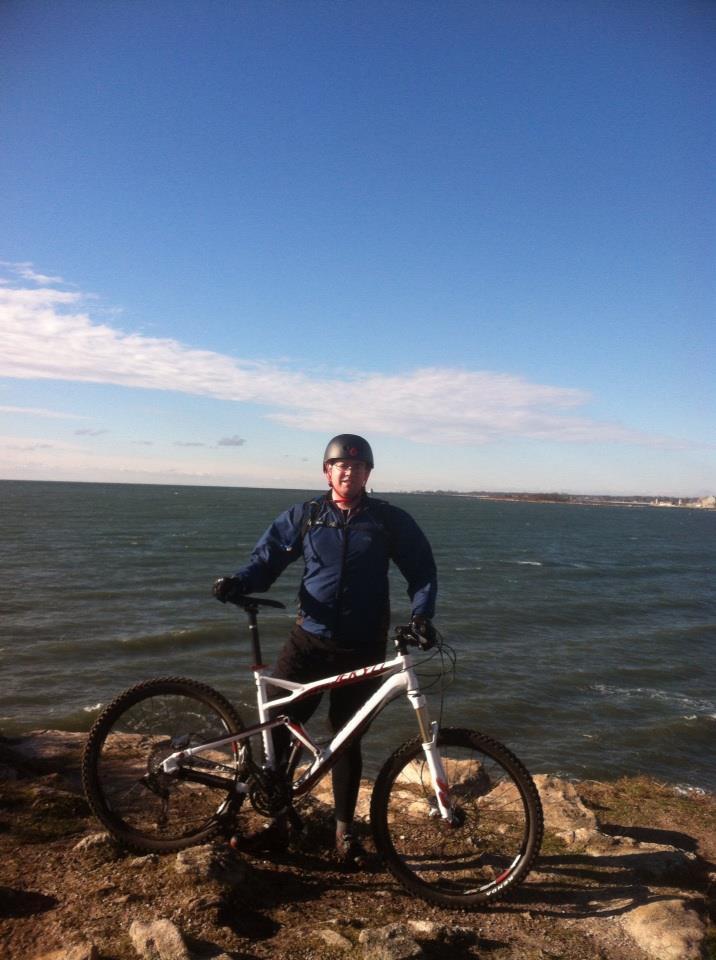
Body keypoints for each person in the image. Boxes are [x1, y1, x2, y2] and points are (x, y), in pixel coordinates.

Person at [213, 433, 437, 868]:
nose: (348, 471)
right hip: (308, 641)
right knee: (280, 731)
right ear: (326, 471)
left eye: (357, 466)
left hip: (363, 645)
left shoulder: (388, 520)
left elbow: (422, 570)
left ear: (368, 473)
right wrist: (241, 581)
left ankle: (344, 832)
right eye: (340, 465)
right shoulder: (308, 516)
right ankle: (276, 823)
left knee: (347, 740)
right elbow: (268, 559)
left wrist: (422, 615)